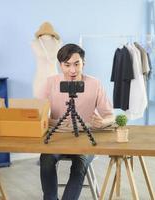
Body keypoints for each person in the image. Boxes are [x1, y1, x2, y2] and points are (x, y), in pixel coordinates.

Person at [38, 43, 114, 200]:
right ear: (60, 65)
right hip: (58, 137)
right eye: (67, 65)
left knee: (79, 166)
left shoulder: (94, 84)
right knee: (45, 160)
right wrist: (53, 122)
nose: (72, 70)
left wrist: (103, 122)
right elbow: (39, 115)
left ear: (83, 63)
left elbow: (110, 115)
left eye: (77, 64)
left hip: (86, 138)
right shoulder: (51, 82)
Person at [32, 22, 62, 97]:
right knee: (41, 105)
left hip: (53, 78)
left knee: (55, 105)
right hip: (41, 79)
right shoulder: (35, 43)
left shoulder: (58, 43)